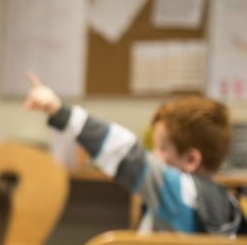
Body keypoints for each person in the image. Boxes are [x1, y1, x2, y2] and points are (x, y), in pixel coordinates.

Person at [25, 73, 246, 236]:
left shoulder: (181, 193)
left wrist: (59, 110)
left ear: (191, 160)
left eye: (161, 149)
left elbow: (125, 152)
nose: (154, 156)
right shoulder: (228, 204)